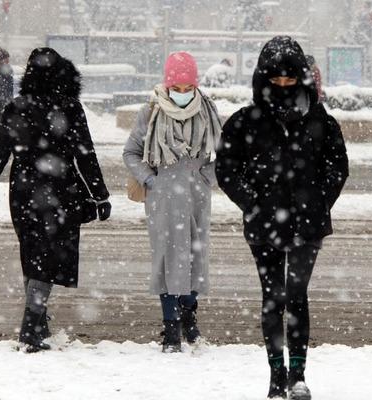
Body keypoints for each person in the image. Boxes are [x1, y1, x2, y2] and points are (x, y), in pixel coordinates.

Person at [216, 36, 348, 399]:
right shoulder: (245, 122)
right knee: (273, 296)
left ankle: (298, 375)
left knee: (297, 295)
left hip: (308, 225)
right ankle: (276, 374)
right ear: (263, 79)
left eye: (291, 79)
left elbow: (337, 167)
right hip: (263, 225)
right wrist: (251, 202)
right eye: (277, 79)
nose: (284, 86)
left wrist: (320, 201)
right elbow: (226, 167)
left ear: (302, 78)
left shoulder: (321, 121)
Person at [0, 47, 111, 352]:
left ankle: (38, 321)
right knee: (45, 261)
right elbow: (85, 154)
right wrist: (99, 196)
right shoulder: (70, 108)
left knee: (33, 258)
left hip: (22, 192)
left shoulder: (17, 107)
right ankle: (32, 325)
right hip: (61, 192)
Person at [123, 51, 221, 352]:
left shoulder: (208, 110)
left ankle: (189, 316)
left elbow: (227, 155)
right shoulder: (151, 111)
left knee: (194, 257)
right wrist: (152, 180)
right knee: (166, 259)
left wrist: (207, 177)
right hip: (162, 196)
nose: (181, 94)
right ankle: (170, 328)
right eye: (175, 89)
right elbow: (131, 153)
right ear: (166, 85)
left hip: (196, 195)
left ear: (195, 85)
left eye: (187, 88)